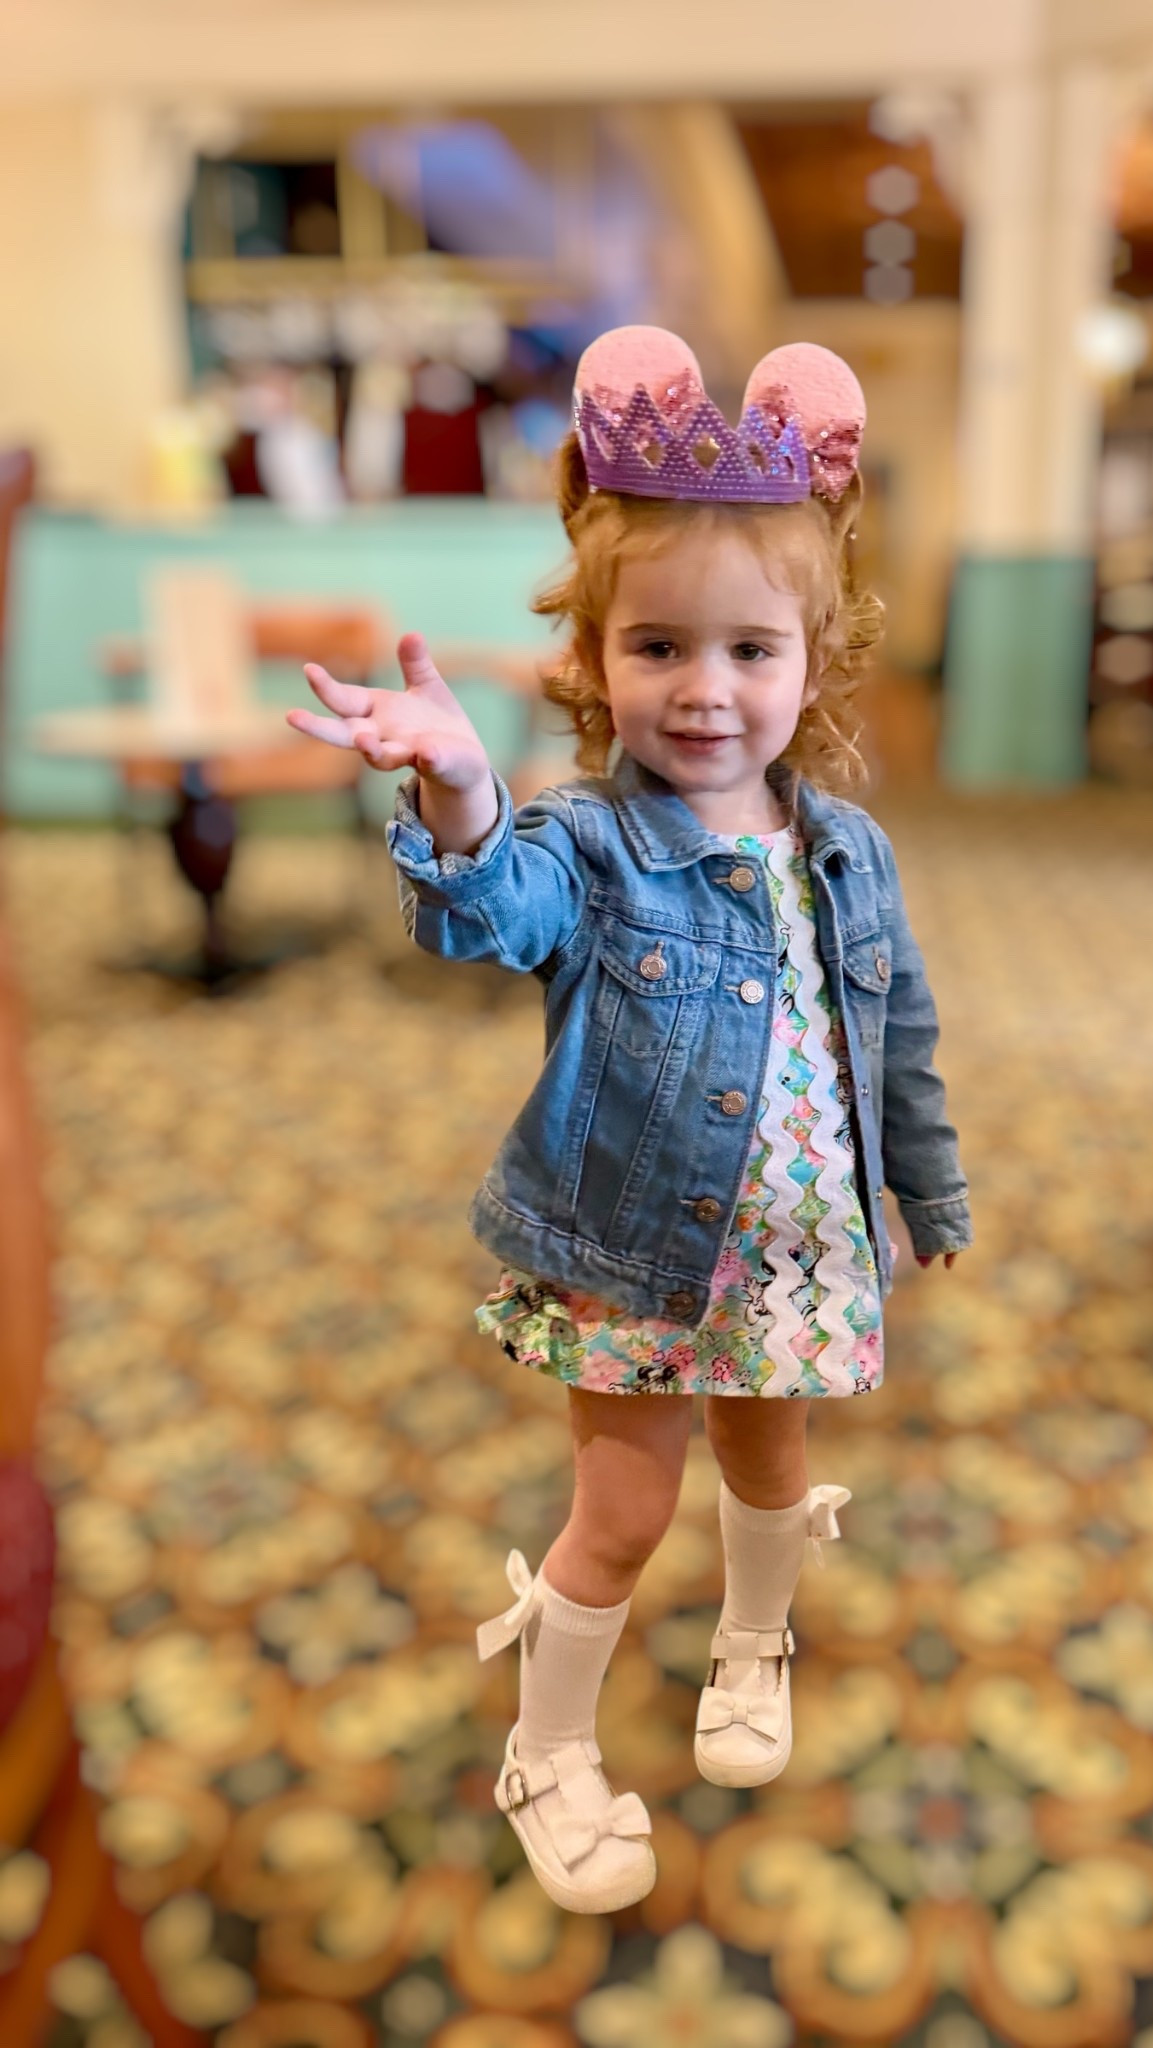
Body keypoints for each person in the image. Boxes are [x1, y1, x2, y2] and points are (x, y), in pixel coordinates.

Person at [288, 326, 971, 1915]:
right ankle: (548, 1745)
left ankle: (752, 1648)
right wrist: (462, 792)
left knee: (771, 1469)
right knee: (622, 1511)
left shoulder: (850, 849)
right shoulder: (592, 843)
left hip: (800, 1248)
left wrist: (925, 1193)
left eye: (751, 651)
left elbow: (902, 1038)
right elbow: (487, 917)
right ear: (593, 656)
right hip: (635, 1255)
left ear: (817, 659)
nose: (707, 692)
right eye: (658, 646)